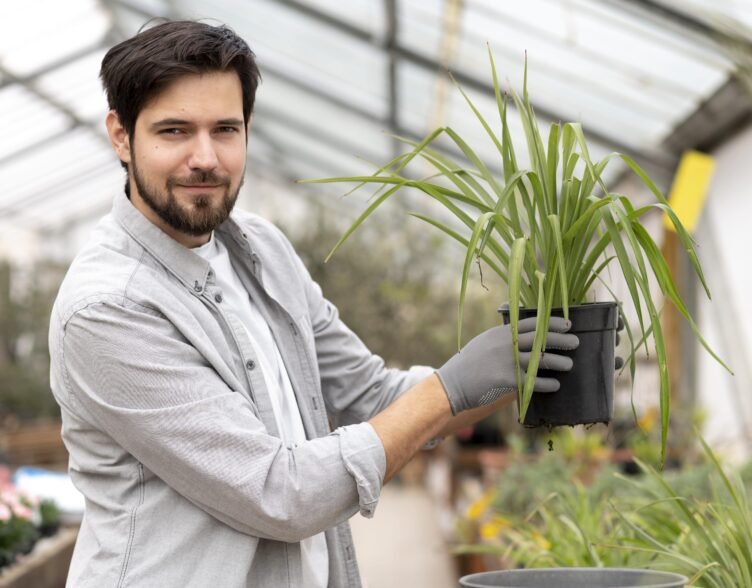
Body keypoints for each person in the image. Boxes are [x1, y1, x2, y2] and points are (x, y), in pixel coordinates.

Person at [48, 20, 579, 588]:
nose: (205, 158)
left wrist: (513, 374)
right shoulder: (106, 308)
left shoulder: (262, 251)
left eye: (225, 129)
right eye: (174, 131)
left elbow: (369, 396)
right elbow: (279, 493)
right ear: (122, 136)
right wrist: (448, 389)